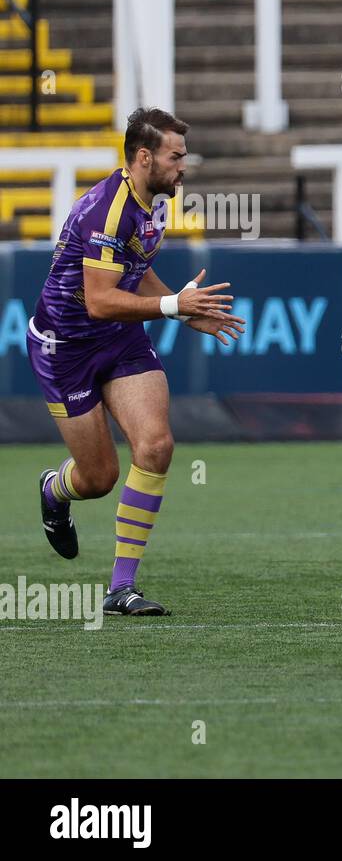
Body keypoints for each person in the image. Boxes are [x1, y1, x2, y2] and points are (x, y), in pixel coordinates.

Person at [29, 107, 244, 616]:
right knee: (98, 477)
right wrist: (174, 306)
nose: (183, 166)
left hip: (120, 339)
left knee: (156, 446)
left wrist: (181, 313)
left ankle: (120, 588)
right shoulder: (107, 209)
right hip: (66, 349)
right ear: (144, 157)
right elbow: (100, 299)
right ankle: (54, 489)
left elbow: (135, 270)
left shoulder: (156, 200)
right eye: (176, 156)